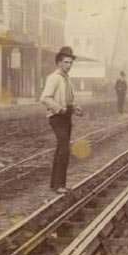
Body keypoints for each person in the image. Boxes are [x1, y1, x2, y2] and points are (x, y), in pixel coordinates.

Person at [40, 46, 84, 196]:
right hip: (56, 117)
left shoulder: (67, 79)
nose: (69, 65)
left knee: (62, 149)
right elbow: (45, 98)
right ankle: (59, 185)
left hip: (66, 117)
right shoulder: (54, 78)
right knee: (64, 149)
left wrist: (75, 108)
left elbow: (68, 100)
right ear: (58, 63)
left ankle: (56, 184)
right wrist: (59, 109)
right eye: (66, 62)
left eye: (71, 63)